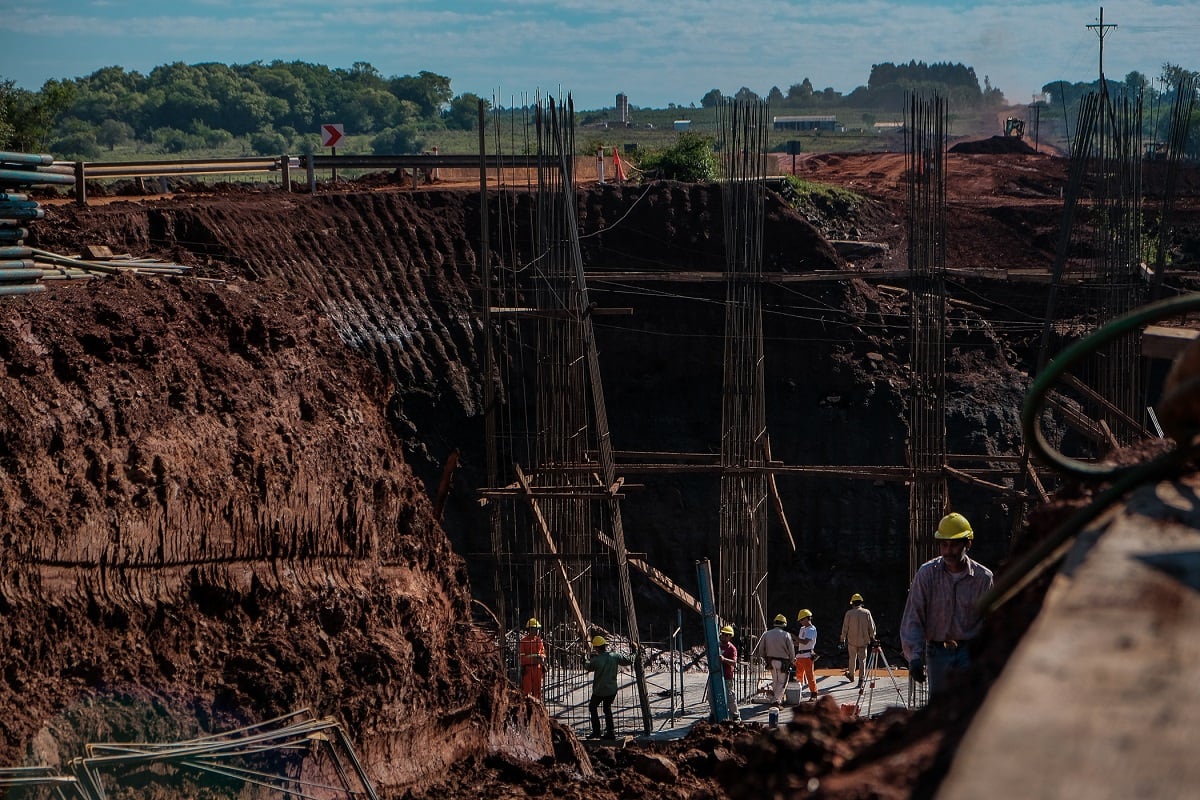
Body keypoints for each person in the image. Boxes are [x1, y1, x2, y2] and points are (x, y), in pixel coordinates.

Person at [899, 512, 995, 696]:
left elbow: (989, 621)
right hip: (937, 653)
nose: (948, 551)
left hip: (970, 652)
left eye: (954, 545)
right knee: (940, 709)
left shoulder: (983, 578)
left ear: (968, 543)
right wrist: (915, 657)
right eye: (944, 544)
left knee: (969, 708)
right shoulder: (927, 575)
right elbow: (914, 616)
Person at [584, 635, 632, 739]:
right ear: (605, 646)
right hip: (611, 690)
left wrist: (585, 658)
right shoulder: (614, 656)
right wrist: (635, 651)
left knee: (593, 707)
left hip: (599, 691)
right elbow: (629, 660)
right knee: (607, 709)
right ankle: (611, 733)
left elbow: (588, 666)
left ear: (596, 648)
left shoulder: (596, 660)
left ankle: (596, 732)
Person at [752, 614, 795, 705]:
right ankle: (776, 701)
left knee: (775, 681)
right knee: (782, 683)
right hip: (783, 662)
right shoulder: (786, 635)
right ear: (784, 624)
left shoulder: (766, 634)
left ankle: (775, 699)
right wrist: (792, 660)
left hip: (771, 661)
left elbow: (761, 649)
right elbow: (791, 650)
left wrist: (765, 658)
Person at [840, 593, 877, 687]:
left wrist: (842, 638)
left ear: (852, 603)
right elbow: (871, 627)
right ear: (861, 603)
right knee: (862, 660)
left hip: (852, 641)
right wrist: (873, 637)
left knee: (852, 659)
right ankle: (861, 679)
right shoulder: (866, 612)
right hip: (863, 641)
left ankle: (851, 675)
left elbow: (845, 627)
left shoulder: (849, 613)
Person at [793, 609, 819, 701]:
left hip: (807, 656)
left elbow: (805, 642)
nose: (800, 622)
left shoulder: (812, 629)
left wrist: (794, 637)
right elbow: (800, 643)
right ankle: (797, 693)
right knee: (798, 676)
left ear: (807, 619)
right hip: (800, 656)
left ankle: (814, 694)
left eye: (801, 620)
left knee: (810, 676)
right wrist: (791, 643)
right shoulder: (802, 629)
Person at [518, 617, 546, 699]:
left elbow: (543, 653)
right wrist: (533, 660)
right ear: (530, 629)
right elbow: (522, 659)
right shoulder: (523, 641)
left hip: (538, 669)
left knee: (538, 691)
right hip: (528, 669)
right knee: (527, 692)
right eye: (535, 629)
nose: (537, 631)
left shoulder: (539, 641)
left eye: (538, 629)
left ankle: (538, 708)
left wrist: (542, 658)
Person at [718, 624, 741, 721]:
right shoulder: (716, 645)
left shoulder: (732, 649)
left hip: (727, 676)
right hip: (716, 674)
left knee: (730, 696)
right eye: (723, 633)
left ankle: (735, 715)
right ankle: (714, 713)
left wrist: (724, 659)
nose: (724, 635)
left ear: (730, 637)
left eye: (726, 634)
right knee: (712, 696)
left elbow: (734, 663)